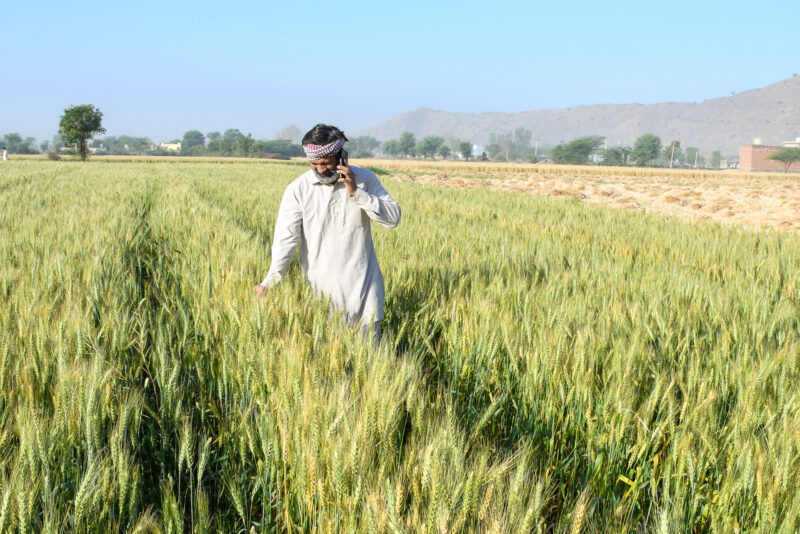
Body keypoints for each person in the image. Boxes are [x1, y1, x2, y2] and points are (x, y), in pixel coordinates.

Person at [253, 124, 401, 344]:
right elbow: (286, 240)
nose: (320, 169)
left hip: (364, 293)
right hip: (320, 298)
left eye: (326, 163)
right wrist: (269, 281)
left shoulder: (365, 180)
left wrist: (356, 193)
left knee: (369, 365)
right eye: (314, 164)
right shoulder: (298, 189)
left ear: (342, 158)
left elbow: (393, 219)